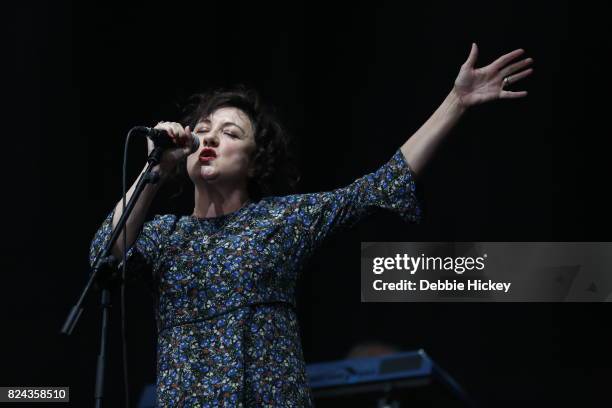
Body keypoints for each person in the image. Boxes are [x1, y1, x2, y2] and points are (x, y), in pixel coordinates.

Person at [89, 43, 533, 407]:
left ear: (253, 161)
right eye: (203, 129)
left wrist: (456, 102)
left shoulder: (281, 219)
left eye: (230, 133)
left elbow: (380, 185)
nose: (209, 138)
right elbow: (102, 256)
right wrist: (153, 170)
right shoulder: (166, 235)